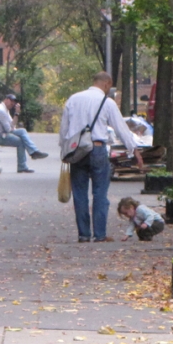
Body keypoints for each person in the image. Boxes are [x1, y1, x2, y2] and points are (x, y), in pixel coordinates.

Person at [59, 72, 144, 242]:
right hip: (97, 149)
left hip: (77, 151)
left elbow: (64, 129)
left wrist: (64, 151)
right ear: (107, 84)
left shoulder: (73, 99)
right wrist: (133, 150)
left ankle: (83, 234)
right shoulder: (107, 102)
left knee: (79, 193)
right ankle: (100, 234)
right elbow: (121, 128)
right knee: (100, 194)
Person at [0, 94, 48, 173]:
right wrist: (13, 127)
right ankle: (27, 159)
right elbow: (9, 129)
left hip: (3, 134)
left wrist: (16, 113)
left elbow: (12, 125)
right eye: (11, 103)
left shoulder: (5, 110)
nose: (12, 105)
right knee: (20, 140)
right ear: (7, 100)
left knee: (22, 133)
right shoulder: (0, 110)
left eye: (13, 104)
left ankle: (31, 154)